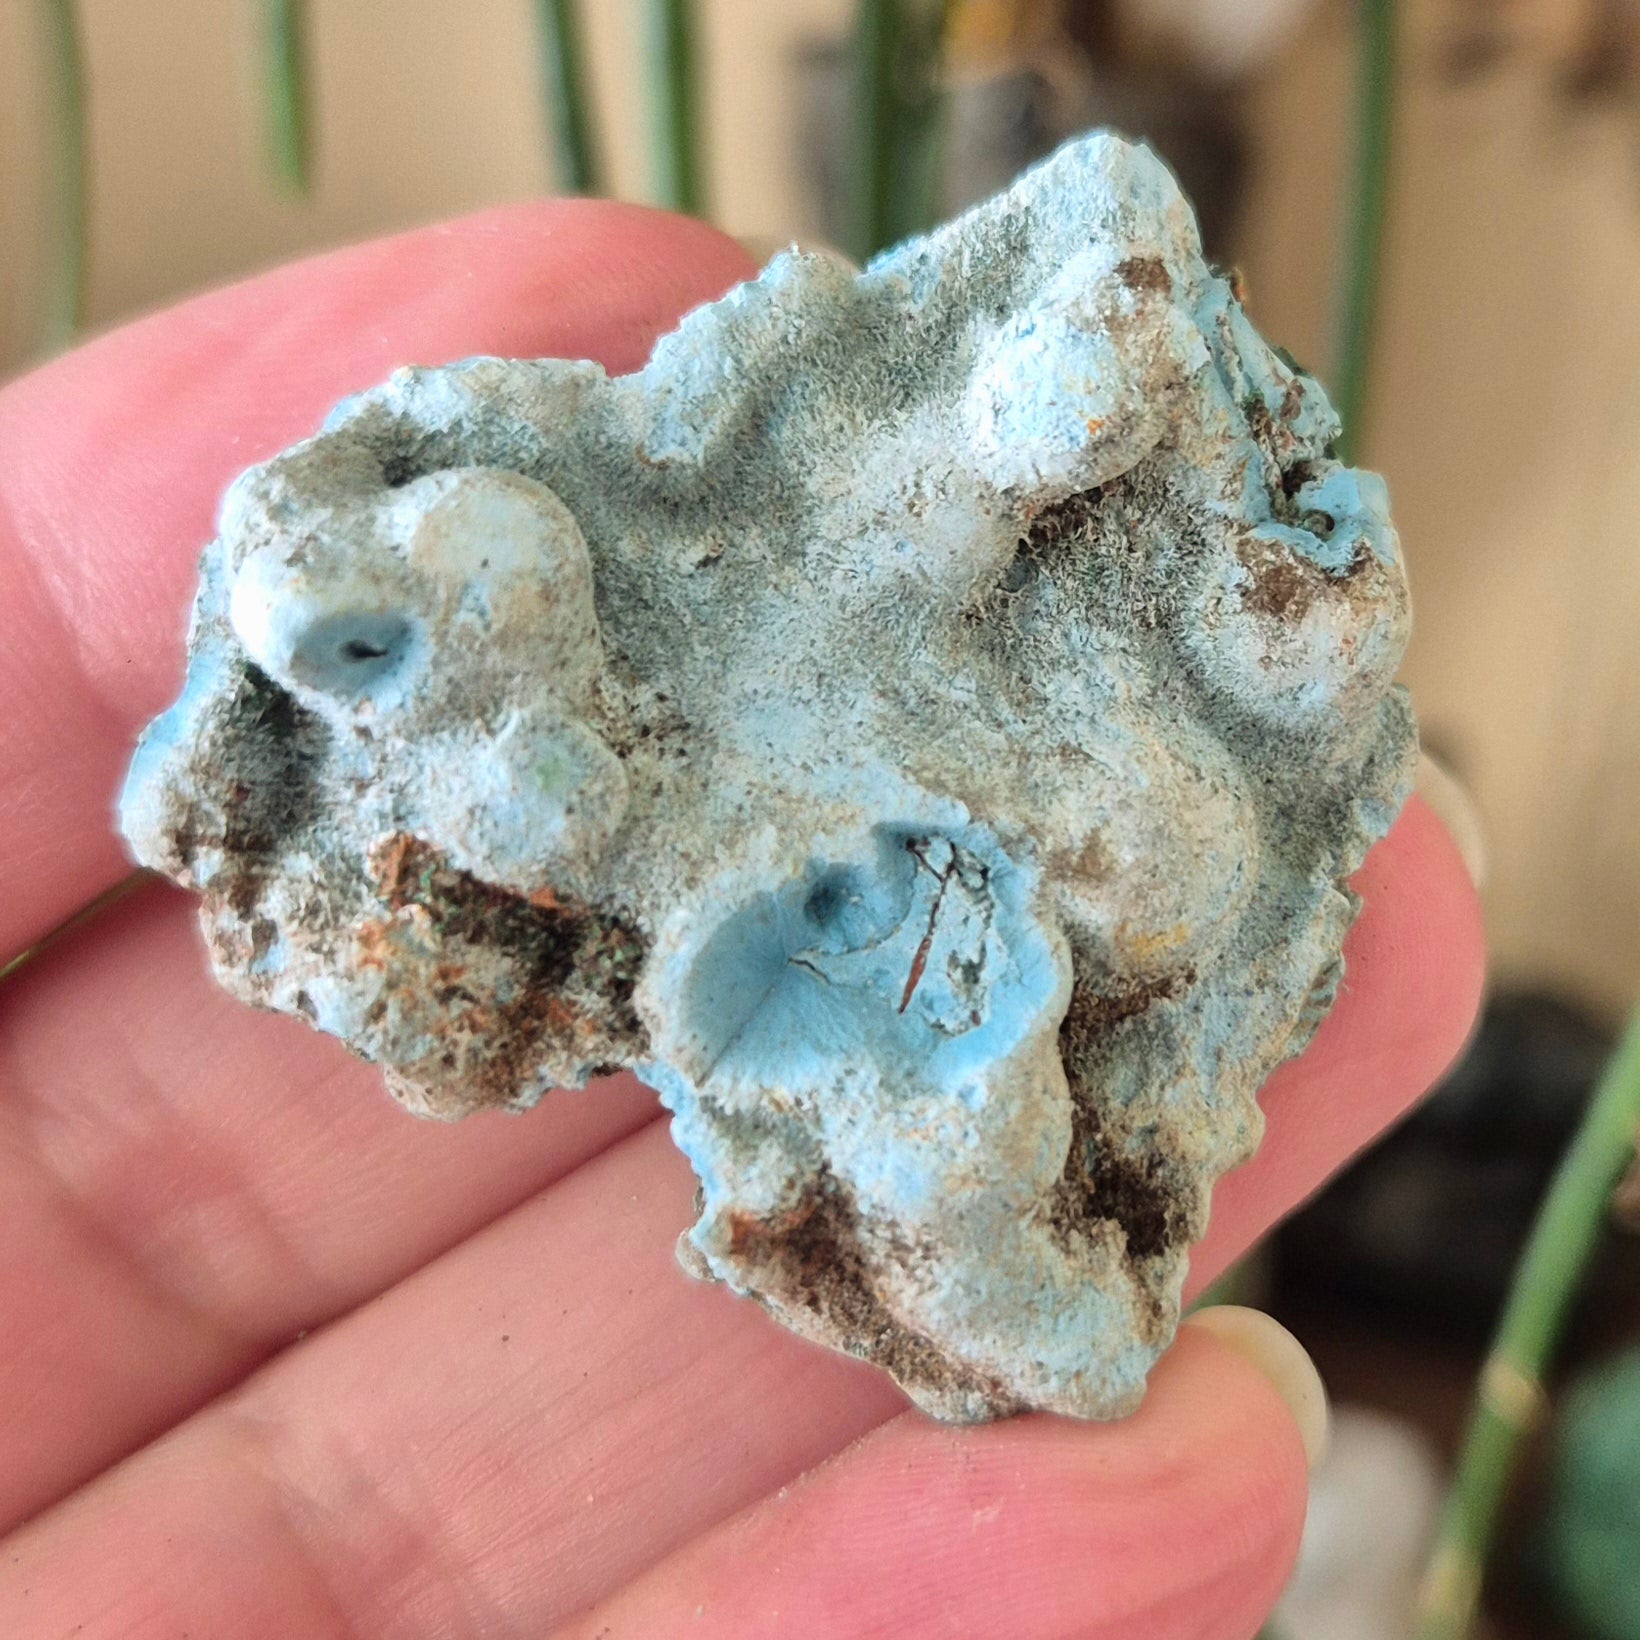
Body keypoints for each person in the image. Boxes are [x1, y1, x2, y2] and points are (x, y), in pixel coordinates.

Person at [0, 200, 1485, 1639]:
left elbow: (1065, 314)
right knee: (991, 1156)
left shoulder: (759, 533)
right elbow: (1028, 1302)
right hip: (990, 913)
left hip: (1091, 775)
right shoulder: (719, 894)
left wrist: (1030, 425)